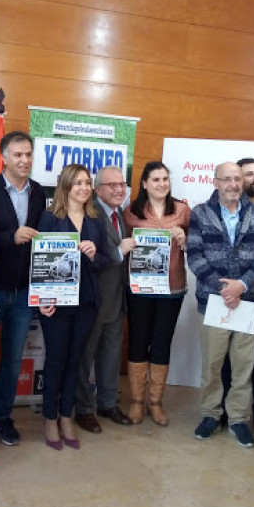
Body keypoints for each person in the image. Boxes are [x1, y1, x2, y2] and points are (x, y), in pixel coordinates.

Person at [187, 162, 254, 448]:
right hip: (214, 302)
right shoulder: (201, 212)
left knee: (243, 367)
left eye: (237, 179)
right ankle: (211, 414)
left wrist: (242, 285)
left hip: (249, 303)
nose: (234, 184)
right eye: (227, 179)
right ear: (216, 182)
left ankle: (238, 419)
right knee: (212, 365)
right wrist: (225, 289)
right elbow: (195, 256)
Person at [0, 131, 47, 446]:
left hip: (23, 292)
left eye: (29, 154)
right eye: (18, 155)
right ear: (4, 157)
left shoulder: (39, 192)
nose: (24, 160)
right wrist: (10, 237)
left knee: (12, 361)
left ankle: (1, 418)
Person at [37, 164, 113, 450]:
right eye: (77, 183)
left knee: (75, 361)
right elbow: (39, 262)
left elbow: (107, 260)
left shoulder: (95, 218)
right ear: (66, 186)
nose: (83, 188)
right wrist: (43, 299)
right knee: (56, 360)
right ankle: (48, 418)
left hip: (87, 302)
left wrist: (94, 255)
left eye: (86, 183)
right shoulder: (49, 217)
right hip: (56, 303)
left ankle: (66, 416)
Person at [123, 161, 192, 426]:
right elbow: (123, 245)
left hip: (172, 289)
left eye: (165, 178)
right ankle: (137, 401)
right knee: (139, 340)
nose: (162, 184)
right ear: (144, 183)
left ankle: (156, 402)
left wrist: (185, 240)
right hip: (139, 289)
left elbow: (196, 245)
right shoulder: (132, 212)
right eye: (155, 179)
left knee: (162, 342)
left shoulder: (183, 211)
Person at [73, 166, 136, 434]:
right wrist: (119, 251)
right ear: (97, 189)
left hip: (117, 298)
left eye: (122, 184)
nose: (119, 189)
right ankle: (84, 409)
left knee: (111, 355)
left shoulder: (120, 213)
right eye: (112, 185)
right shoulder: (90, 214)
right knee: (85, 357)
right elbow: (90, 254)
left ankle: (108, 403)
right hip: (94, 299)